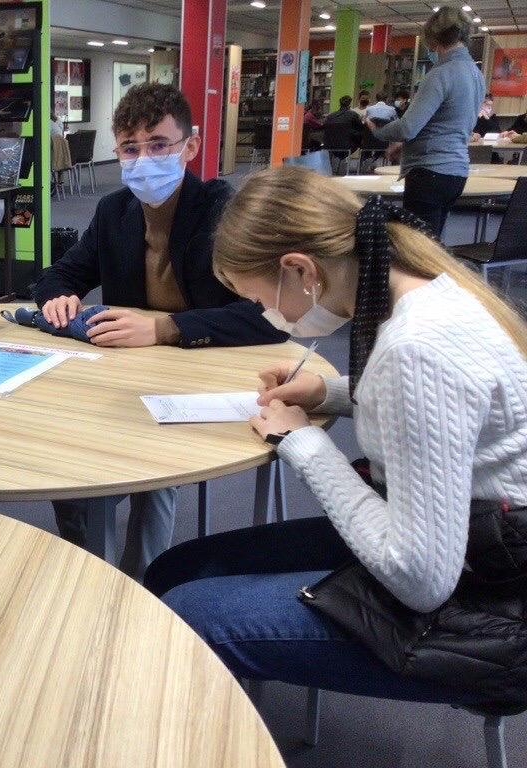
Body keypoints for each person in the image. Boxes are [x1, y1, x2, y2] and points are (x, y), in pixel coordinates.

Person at [146, 165, 527, 710]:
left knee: (186, 613)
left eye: (259, 298)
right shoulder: (426, 292)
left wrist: (303, 444)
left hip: (494, 610)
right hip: (465, 537)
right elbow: (449, 408)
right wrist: (329, 392)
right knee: (176, 570)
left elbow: (421, 581)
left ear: (300, 270)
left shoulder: (417, 349)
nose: (266, 313)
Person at [33, 82, 286, 579]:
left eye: (158, 145)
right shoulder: (114, 210)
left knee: (152, 476)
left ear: (190, 147)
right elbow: (60, 273)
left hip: (199, 370)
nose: (143, 160)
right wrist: (57, 296)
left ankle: (140, 584)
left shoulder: (222, 210)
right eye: (130, 149)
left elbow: (268, 315)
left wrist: (165, 328)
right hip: (123, 374)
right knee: (68, 460)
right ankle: (90, 571)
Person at [369, 7, 483, 235]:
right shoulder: (476, 74)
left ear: (435, 39)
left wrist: (377, 130)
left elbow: (407, 128)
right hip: (457, 172)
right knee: (432, 242)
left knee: (417, 247)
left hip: (429, 173)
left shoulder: (440, 74)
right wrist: (406, 146)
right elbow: (448, 124)